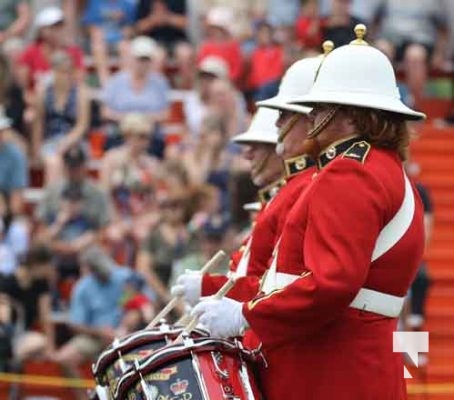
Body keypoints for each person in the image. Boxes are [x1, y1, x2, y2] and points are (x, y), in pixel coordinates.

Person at [192, 25, 426, 399]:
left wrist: (247, 316)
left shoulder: (349, 172)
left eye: (321, 105)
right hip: (357, 365)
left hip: (329, 371)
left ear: (347, 112)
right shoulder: (384, 169)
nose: (311, 113)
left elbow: (332, 282)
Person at [172, 52, 324, 307]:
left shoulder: (305, 189)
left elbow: (290, 284)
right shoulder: (287, 192)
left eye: (258, 146)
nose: (248, 154)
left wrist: (211, 288)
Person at [53, 245, 132, 400]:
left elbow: (139, 303)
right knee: (64, 358)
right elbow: (75, 324)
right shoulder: (83, 287)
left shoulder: (124, 277)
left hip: (125, 333)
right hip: (94, 335)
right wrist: (99, 332)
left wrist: (126, 325)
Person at [0, 244, 55, 365]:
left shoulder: (42, 284)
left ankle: (12, 363)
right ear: (35, 264)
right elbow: (4, 314)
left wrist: (50, 348)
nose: (49, 270)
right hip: (4, 333)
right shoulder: (7, 282)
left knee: (41, 342)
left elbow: (45, 316)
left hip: (21, 336)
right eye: (47, 265)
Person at [0, 112, 28, 216]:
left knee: (18, 231)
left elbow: (17, 199)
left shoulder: (15, 155)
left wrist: (6, 216)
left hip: (6, 209)